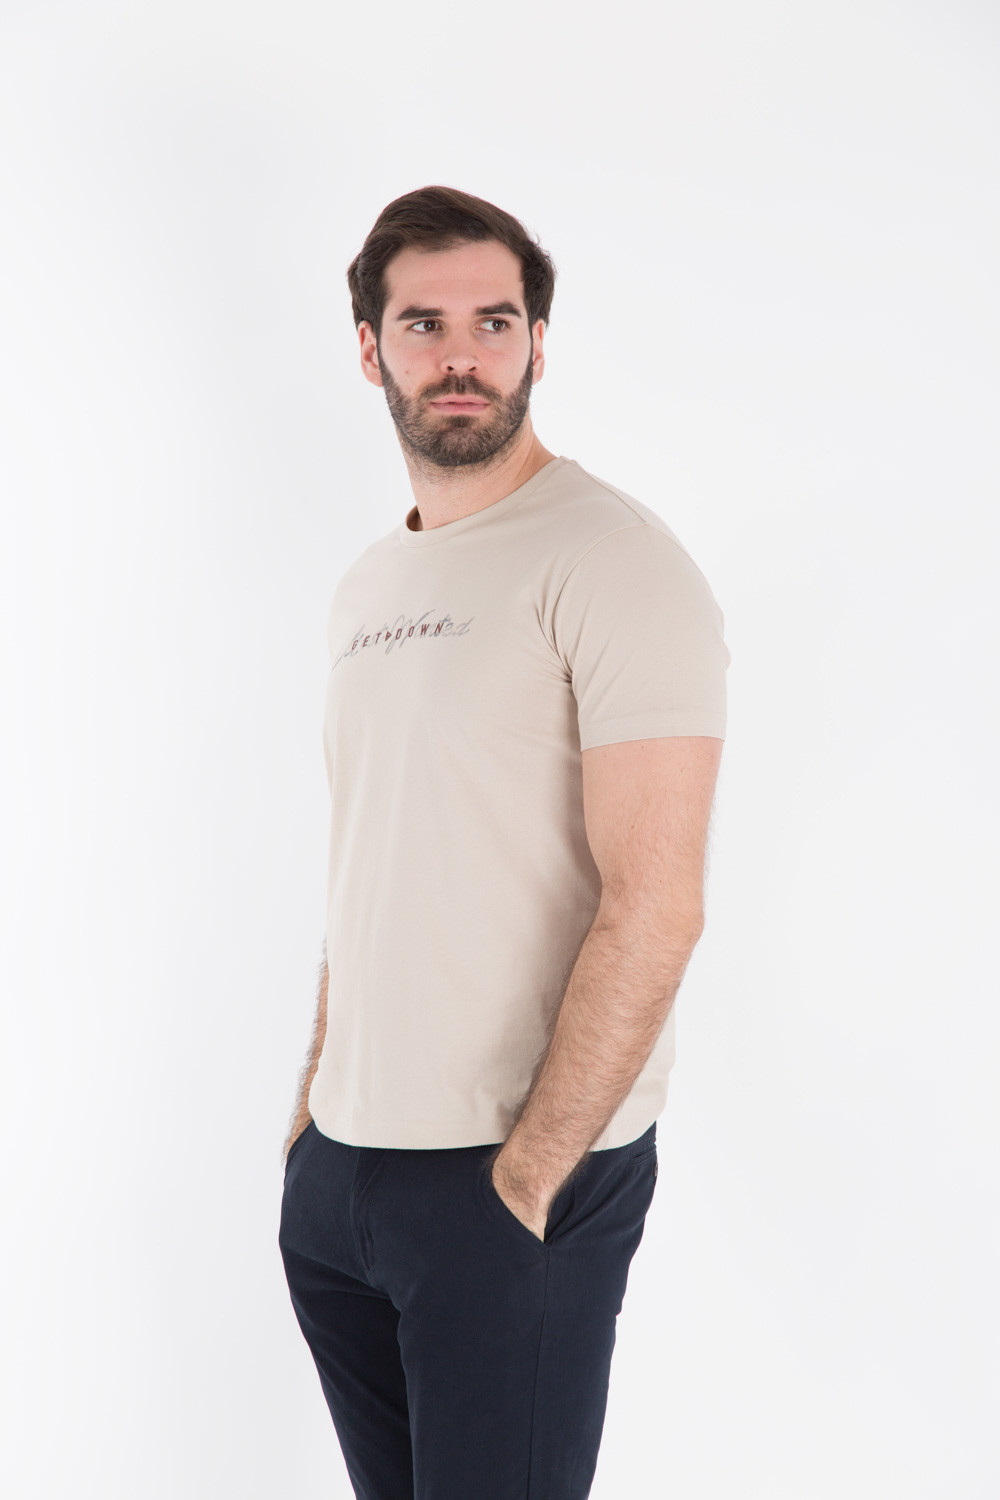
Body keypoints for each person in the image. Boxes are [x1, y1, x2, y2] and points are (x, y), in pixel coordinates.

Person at [278, 184, 730, 1500]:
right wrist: (310, 1122)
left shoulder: (613, 560)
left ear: (539, 341)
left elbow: (658, 901)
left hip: (510, 1176)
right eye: (425, 323)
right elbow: (375, 858)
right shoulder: (371, 583)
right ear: (371, 349)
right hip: (344, 1175)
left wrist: (527, 1179)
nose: (463, 354)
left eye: (495, 320)